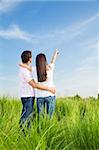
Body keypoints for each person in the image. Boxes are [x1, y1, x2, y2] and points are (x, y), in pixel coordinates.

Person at [19, 50, 55, 130]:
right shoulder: (49, 68)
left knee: (39, 117)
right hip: (44, 96)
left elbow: (27, 67)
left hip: (38, 97)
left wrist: (21, 64)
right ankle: (24, 132)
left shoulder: (34, 70)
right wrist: (50, 89)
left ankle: (37, 132)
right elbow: (53, 61)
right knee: (49, 117)